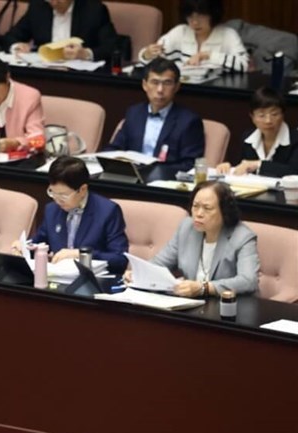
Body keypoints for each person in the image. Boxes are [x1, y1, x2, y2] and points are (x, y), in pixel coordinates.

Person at [129, 181, 260, 297]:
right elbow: (160, 262)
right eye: (195, 206)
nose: (198, 214)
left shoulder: (242, 237)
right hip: (190, 305)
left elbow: (248, 281)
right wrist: (138, 273)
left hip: (227, 307)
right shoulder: (187, 227)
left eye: (207, 208)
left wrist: (204, 288)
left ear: (225, 211)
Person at [29, 156, 129, 275]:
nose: (57, 200)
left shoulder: (108, 211)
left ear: (82, 189)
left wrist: (80, 254)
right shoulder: (52, 210)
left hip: (92, 281)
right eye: (52, 192)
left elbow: (120, 260)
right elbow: (39, 243)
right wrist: (24, 247)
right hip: (57, 277)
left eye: (64, 195)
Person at [107, 57, 204, 172]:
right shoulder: (134, 113)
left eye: (167, 83)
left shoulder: (189, 121)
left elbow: (190, 163)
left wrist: (153, 170)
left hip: (165, 182)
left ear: (177, 86)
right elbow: (115, 148)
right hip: (131, 177)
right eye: (154, 82)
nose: (160, 90)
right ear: (144, 85)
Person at [139, 0, 249, 73]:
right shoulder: (180, 32)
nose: (195, 22)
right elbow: (154, 63)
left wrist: (207, 55)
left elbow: (244, 65)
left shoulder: (228, 35)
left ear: (213, 14)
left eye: (200, 16)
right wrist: (147, 54)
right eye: (190, 17)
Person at [216, 87, 298, 178]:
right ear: (252, 117)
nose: (268, 121)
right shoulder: (248, 138)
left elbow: (294, 170)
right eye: (261, 115)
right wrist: (229, 167)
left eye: (274, 114)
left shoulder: (295, 139)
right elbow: (242, 165)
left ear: (283, 115)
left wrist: (258, 164)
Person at [3, 0, 118, 63]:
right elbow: (11, 36)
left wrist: (85, 53)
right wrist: (17, 46)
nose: (54, 2)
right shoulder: (38, 7)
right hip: (44, 71)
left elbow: (112, 47)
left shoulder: (94, 10)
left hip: (80, 76)